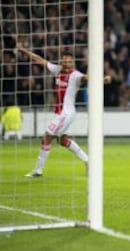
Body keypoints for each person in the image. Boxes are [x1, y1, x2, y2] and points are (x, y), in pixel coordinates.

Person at [17, 42, 111, 177]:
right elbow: (39, 60)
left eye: (69, 62)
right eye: (64, 62)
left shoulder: (76, 76)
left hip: (65, 113)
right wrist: (23, 50)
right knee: (63, 140)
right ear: (62, 61)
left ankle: (38, 171)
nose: (67, 64)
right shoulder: (57, 70)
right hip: (61, 113)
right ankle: (88, 161)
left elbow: (87, 78)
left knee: (47, 137)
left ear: (72, 63)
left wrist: (103, 80)